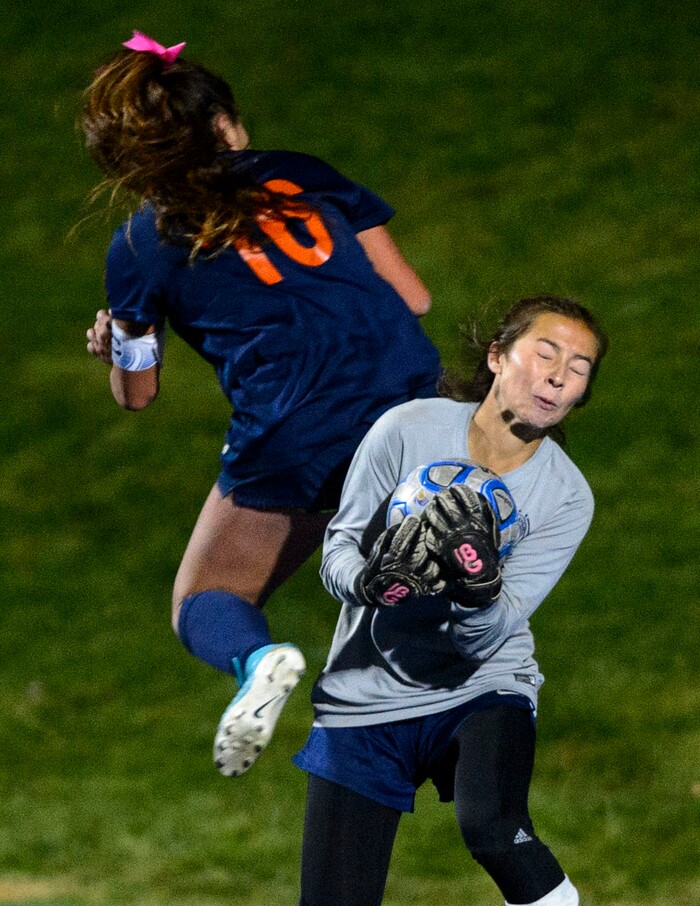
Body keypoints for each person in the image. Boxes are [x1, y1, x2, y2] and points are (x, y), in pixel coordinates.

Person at [279, 295, 637, 906]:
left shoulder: (566, 495)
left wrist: (478, 588)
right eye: (547, 352)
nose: (559, 376)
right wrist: (370, 580)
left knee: (495, 824)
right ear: (499, 356)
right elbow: (340, 544)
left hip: (485, 685)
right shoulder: (407, 428)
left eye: (579, 368)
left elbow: (496, 628)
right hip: (367, 695)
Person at [81, 32, 441, 778]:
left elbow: (138, 393)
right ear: (222, 125)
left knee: (205, 595)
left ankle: (260, 657)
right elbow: (413, 297)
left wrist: (115, 339)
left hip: (296, 429)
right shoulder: (305, 174)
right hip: (415, 403)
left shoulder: (139, 245)